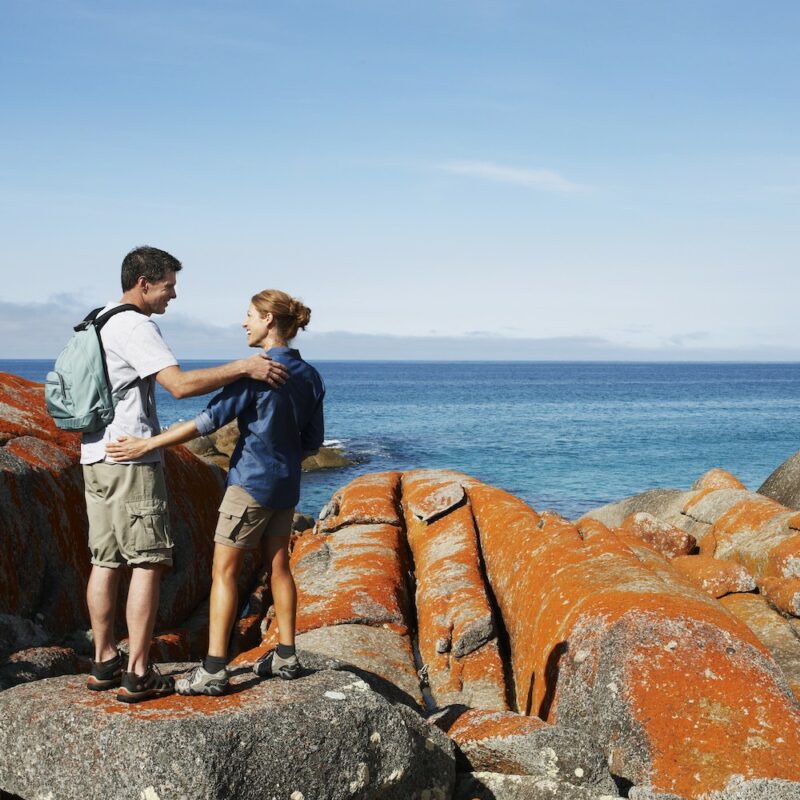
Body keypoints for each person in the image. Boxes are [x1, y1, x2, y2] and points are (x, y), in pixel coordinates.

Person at [83, 246, 289, 704]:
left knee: (104, 560)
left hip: (94, 453)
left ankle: (103, 663)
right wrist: (244, 366)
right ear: (144, 283)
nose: (172, 297)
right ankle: (137, 671)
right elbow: (177, 386)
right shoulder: (136, 324)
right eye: (168, 287)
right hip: (131, 457)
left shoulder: (96, 318)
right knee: (148, 562)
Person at [106, 288, 324, 696]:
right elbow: (313, 440)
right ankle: (286, 656)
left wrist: (147, 444)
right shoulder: (310, 375)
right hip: (285, 485)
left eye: (249, 315)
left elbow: (206, 422)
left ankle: (213, 669)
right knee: (279, 567)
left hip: (249, 485)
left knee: (222, 572)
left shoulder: (258, 371)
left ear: (269, 321)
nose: (244, 322)